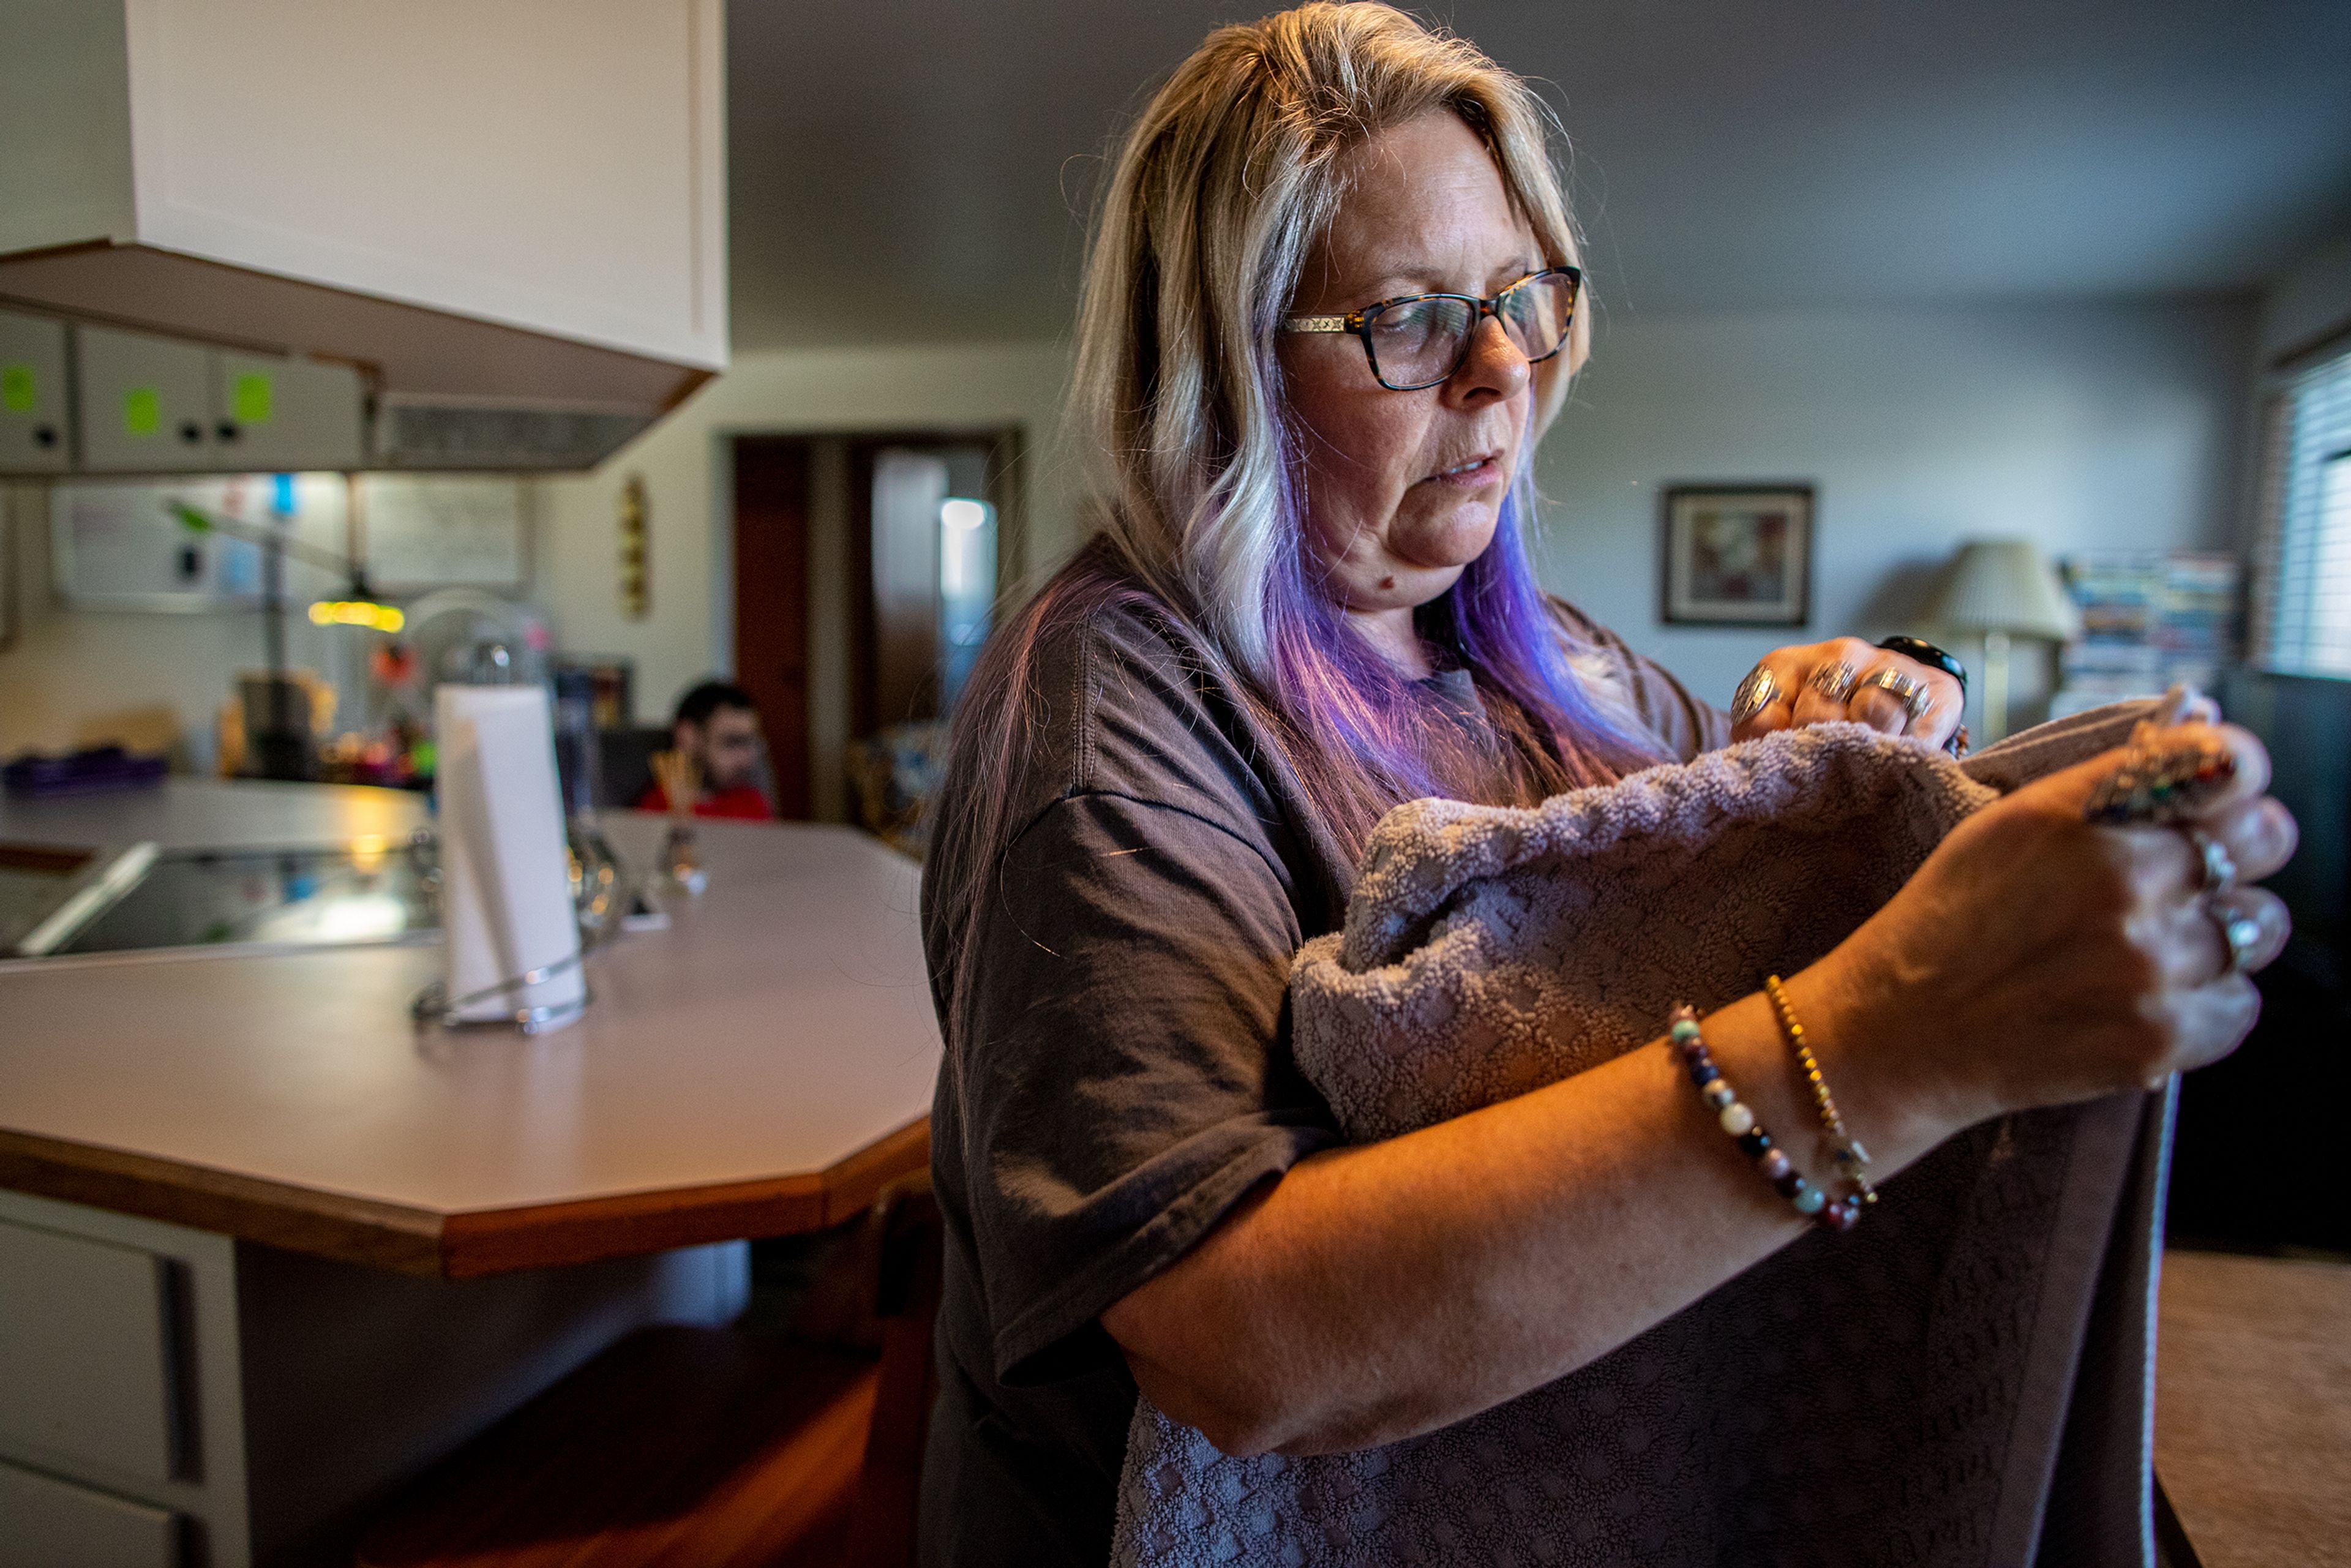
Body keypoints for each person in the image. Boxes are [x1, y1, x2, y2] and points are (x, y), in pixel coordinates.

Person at [917, 7, 2298, 1564]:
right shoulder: (1111, 717)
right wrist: (1904, 1030)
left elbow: (1716, 857)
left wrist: (1866, 713)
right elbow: (1232, 1334)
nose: (1504, 366)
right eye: (1407, 317)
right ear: (1220, 366)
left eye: (1522, 293)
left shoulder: (1543, 658)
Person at [634, 680, 773, 820]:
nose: (746, 760)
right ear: (688, 737)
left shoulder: (754, 804)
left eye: (750, 743)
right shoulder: (657, 809)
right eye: (732, 742)